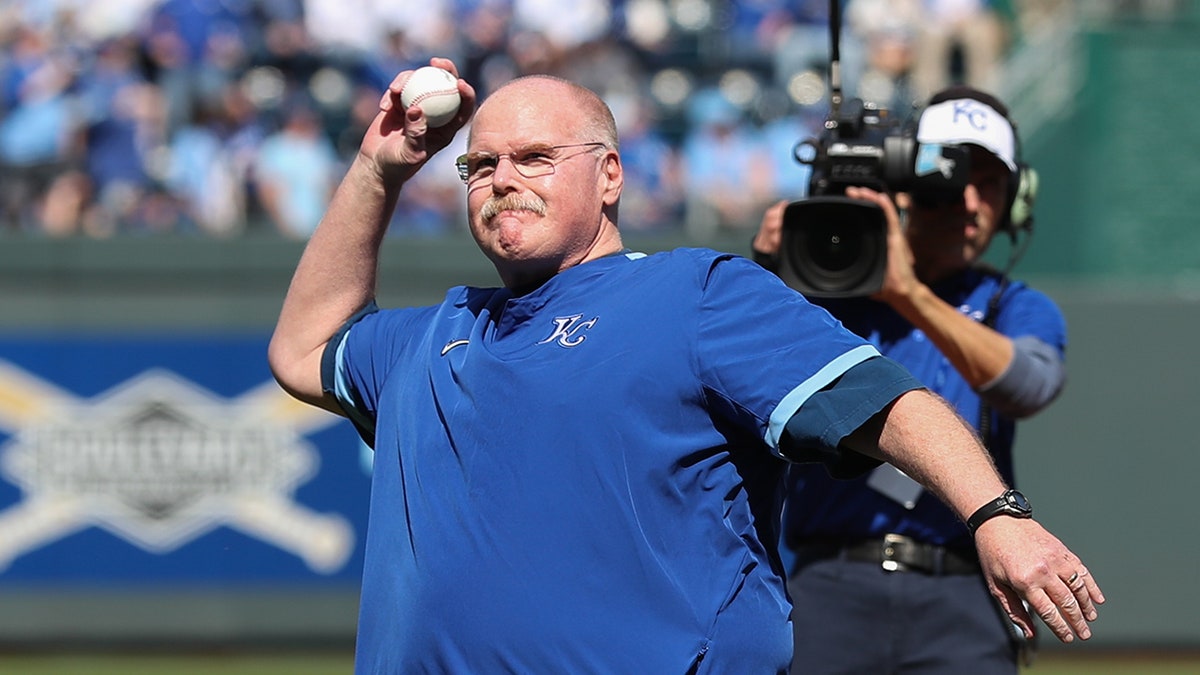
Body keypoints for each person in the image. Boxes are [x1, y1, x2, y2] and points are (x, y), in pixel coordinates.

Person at [268, 58, 1102, 673]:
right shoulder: (436, 332)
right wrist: (378, 169)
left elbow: (891, 402)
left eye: (535, 157)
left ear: (610, 176)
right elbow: (303, 350)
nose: (501, 180)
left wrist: (996, 514)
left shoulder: (693, 294)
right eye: (480, 165)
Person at [752, 85, 1069, 674]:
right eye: (948, 179)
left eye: (989, 182)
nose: (968, 201)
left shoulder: (1014, 304)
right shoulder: (820, 289)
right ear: (903, 187)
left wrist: (908, 292)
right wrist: (771, 263)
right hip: (828, 579)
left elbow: (1028, 385)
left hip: (961, 585)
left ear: (1015, 201)